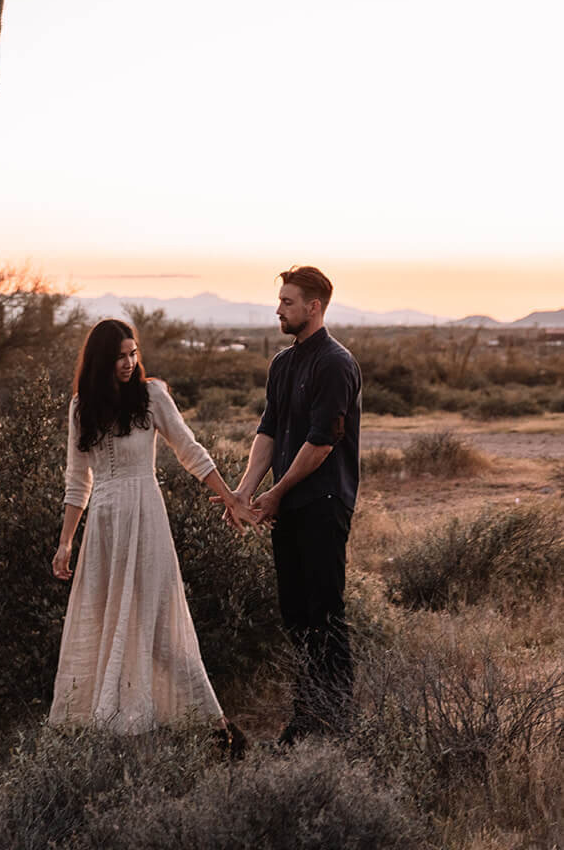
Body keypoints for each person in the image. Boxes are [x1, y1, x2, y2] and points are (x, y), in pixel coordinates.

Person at [49, 316, 253, 739]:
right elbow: (77, 479)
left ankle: (215, 724)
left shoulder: (151, 395)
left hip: (145, 518)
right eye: (119, 357)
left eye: (132, 354)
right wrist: (65, 541)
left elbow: (188, 449)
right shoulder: (80, 408)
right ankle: (113, 722)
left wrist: (230, 496)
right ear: (99, 362)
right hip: (104, 529)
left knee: (160, 623)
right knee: (108, 622)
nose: (128, 363)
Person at [223, 265, 361, 743]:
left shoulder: (335, 363)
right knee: (295, 613)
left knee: (324, 612)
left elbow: (322, 443)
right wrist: (244, 490)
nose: (278, 309)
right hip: (290, 509)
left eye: (287, 302)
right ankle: (308, 713)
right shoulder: (282, 364)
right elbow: (269, 431)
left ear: (313, 307)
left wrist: (275, 494)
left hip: (324, 503)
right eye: (280, 301)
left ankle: (335, 718)